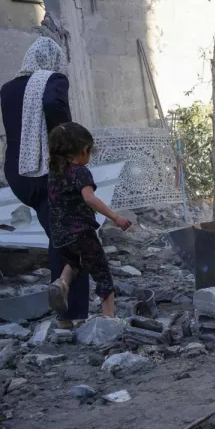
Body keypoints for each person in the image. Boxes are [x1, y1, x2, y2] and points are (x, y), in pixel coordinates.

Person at [0, 37, 91, 327]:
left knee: (59, 231)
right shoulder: (53, 80)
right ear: (53, 59)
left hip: (19, 174)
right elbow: (53, 104)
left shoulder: (8, 89)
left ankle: (64, 298)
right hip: (49, 171)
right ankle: (69, 311)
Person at [45, 123, 131, 318]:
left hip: (59, 235)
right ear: (84, 150)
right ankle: (109, 320)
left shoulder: (54, 173)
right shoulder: (80, 172)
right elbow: (89, 198)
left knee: (75, 263)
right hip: (81, 233)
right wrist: (116, 217)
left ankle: (61, 283)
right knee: (103, 276)